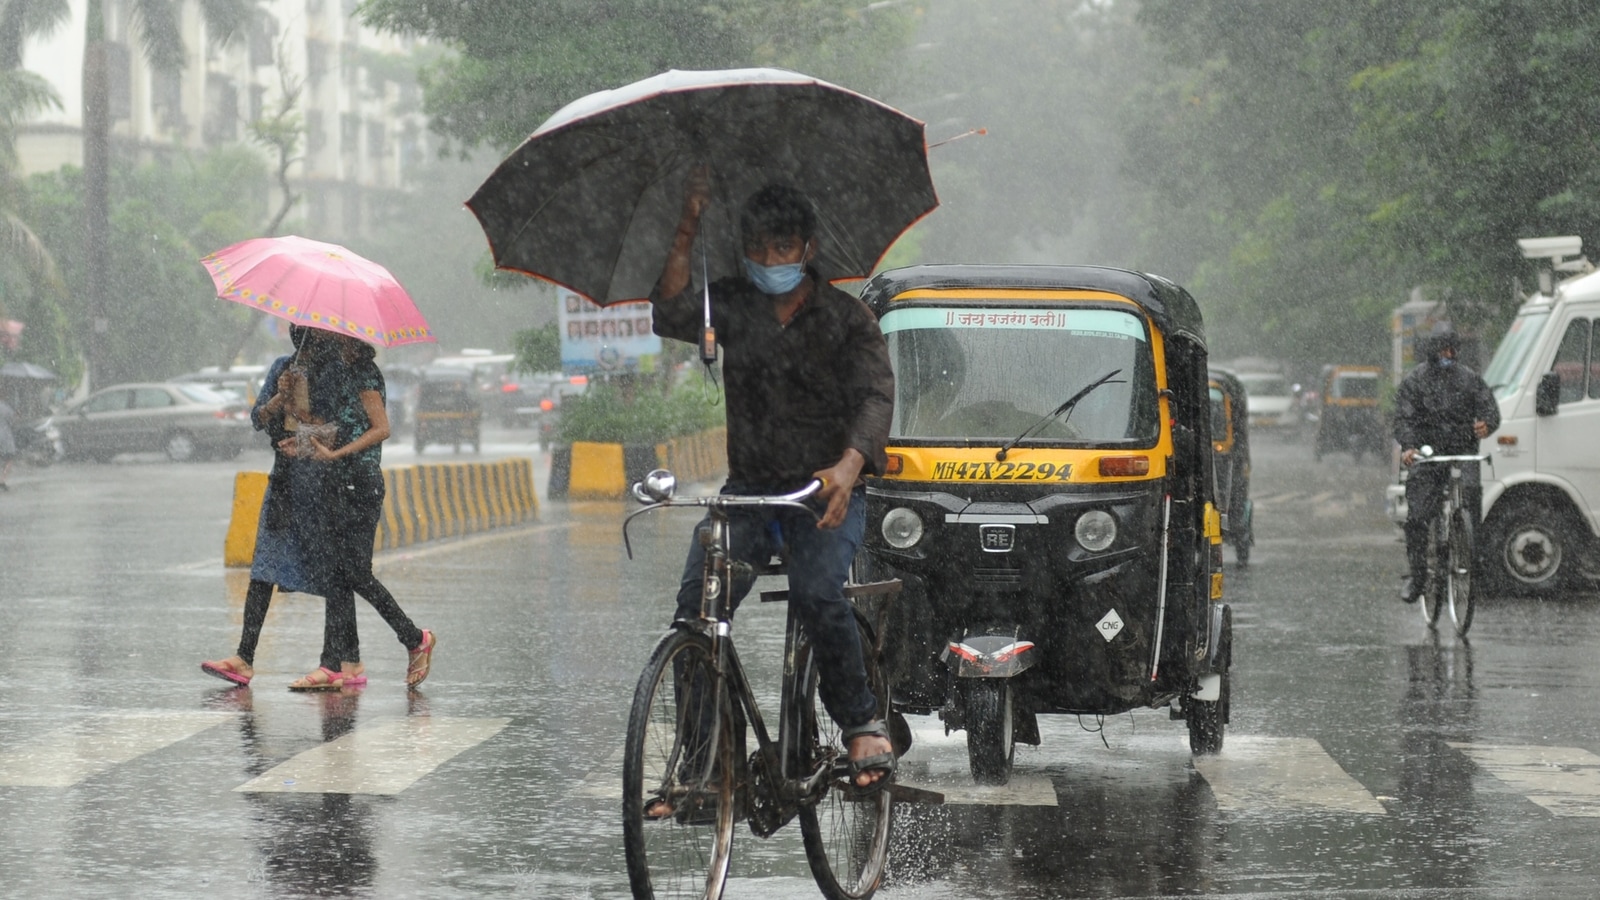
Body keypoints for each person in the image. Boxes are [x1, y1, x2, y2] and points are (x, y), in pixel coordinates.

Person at [649, 170, 897, 794]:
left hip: (824, 494)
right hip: (751, 493)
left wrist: (847, 468)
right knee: (696, 615)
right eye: (757, 247)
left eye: (782, 247)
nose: (769, 260)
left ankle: (863, 720)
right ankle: (703, 764)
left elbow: (874, 397)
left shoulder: (848, 317)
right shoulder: (729, 304)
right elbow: (669, 311)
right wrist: (687, 224)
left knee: (818, 595)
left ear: (808, 250)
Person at [202, 326, 356, 688]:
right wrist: (279, 398)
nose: (305, 340)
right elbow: (258, 419)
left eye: (313, 334)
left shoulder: (338, 374)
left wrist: (304, 438)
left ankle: (334, 662)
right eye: (300, 332)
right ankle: (244, 656)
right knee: (265, 566)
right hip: (285, 485)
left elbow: (346, 430)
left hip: (323, 488)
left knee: (334, 572)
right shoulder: (281, 368)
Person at [290, 330, 436, 690]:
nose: (323, 340)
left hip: (361, 483)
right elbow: (341, 427)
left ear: (348, 338)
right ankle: (337, 663)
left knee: (355, 572)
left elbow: (380, 428)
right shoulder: (342, 370)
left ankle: (414, 638)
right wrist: (298, 425)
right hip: (339, 482)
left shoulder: (366, 373)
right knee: (337, 573)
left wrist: (337, 454)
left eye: (332, 336)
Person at [1393, 331, 1500, 603]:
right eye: (1443, 351)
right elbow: (1404, 418)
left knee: (1472, 497)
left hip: (1463, 450)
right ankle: (1418, 577)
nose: (1448, 357)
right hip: (1428, 454)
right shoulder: (1415, 381)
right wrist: (1409, 447)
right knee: (1418, 517)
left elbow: (1489, 407)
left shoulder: (1469, 379)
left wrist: (1488, 423)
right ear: (1432, 352)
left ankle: (1476, 561)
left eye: (1452, 351)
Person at [0, 396, 17, 490]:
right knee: (10, 457)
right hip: (4, 435)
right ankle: (2, 480)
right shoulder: (4, 406)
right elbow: (13, 420)